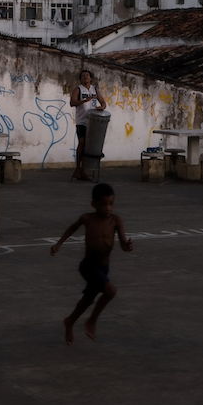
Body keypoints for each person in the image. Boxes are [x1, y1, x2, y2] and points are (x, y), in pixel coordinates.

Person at [50, 182, 134, 344]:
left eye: (111, 204)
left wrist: (128, 246)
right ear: (93, 204)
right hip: (88, 266)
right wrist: (58, 244)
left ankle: (70, 321)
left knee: (88, 299)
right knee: (110, 291)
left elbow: (123, 244)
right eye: (104, 204)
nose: (108, 208)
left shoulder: (116, 221)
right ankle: (92, 320)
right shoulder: (87, 218)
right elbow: (71, 229)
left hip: (104, 268)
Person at [70, 69, 106, 181]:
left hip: (93, 122)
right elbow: (72, 103)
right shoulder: (78, 89)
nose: (85, 77)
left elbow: (103, 102)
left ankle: (84, 171)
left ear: (91, 78)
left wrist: (102, 107)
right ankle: (77, 168)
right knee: (82, 143)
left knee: (89, 146)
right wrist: (84, 100)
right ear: (80, 79)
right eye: (83, 76)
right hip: (82, 122)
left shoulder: (95, 89)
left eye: (87, 75)